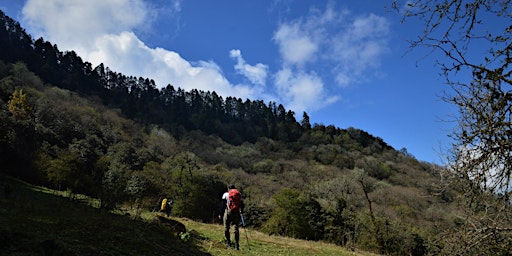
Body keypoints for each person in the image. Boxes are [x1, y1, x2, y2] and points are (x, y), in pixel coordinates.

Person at [219, 184, 244, 250]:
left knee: (226, 227)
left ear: (228, 189)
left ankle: (228, 243)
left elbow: (223, 205)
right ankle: (236, 245)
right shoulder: (239, 194)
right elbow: (242, 204)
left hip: (228, 211)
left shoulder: (226, 194)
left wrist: (220, 214)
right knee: (236, 228)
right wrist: (241, 211)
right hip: (236, 212)